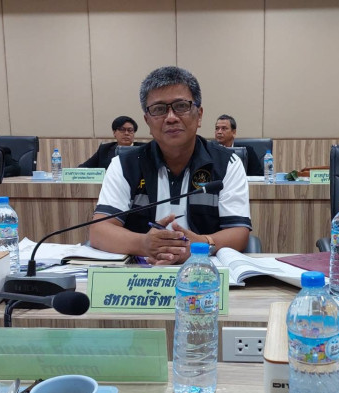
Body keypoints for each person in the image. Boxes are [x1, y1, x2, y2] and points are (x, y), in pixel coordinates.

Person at [89, 66, 251, 264]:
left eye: (181, 106)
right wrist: (145, 244)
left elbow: (239, 232)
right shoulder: (124, 164)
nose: (171, 117)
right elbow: (99, 230)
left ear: (199, 115)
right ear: (147, 121)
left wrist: (200, 245)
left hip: (202, 272)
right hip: (140, 274)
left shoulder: (227, 163)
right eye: (159, 109)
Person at [79, 116, 145, 169]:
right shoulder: (104, 149)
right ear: (114, 133)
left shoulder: (143, 149)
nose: (126, 133)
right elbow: (84, 168)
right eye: (122, 130)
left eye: (130, 130)